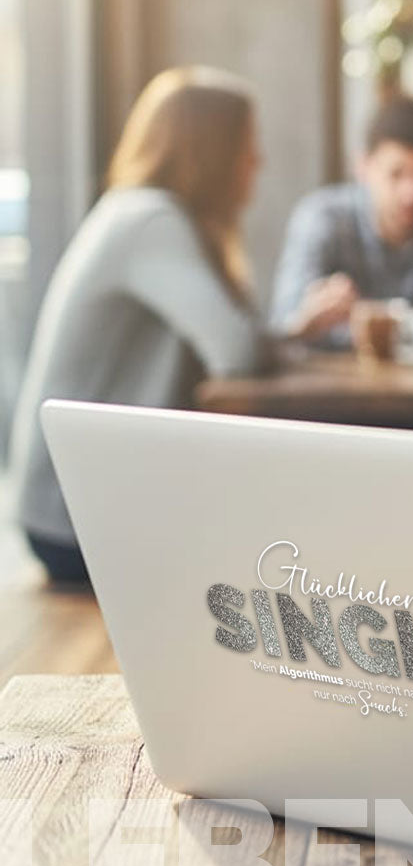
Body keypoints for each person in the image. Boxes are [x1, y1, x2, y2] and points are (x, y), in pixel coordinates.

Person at [8, 67, 277, 585]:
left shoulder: (141, 214)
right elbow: (235, 350)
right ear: (212, 152)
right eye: (246, 145)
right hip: (76, 524)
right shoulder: (151, 221)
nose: (257, 161)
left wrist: (296, 332)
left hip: (86, 510)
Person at [270, 97, 413, 345]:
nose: (412, 193)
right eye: (396, 174)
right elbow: (288, 323)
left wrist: (362, 321)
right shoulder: (322, 217)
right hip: (336, 382)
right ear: (363, 166)